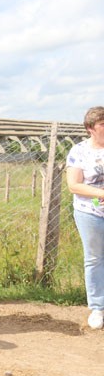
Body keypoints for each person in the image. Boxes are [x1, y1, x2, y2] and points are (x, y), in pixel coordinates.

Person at [66, 106, 104, 329]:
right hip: (90, 212)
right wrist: (101, 193)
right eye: (102, 125)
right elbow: (74, 185)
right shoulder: (79, 151)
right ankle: (97, 307)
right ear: (91, 128)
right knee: (95, 258)